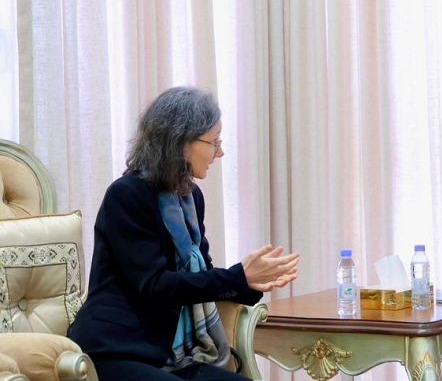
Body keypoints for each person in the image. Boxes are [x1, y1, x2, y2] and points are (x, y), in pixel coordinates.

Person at [68, 86, 299, 381]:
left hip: (170, 353)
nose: (220, 153)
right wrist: (237, 277)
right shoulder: (126, 195)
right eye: (214, 142)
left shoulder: (190, 197)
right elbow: (155, 285)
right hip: (116, 348)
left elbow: (201, 277)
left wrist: (251, 282)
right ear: (180, 141)